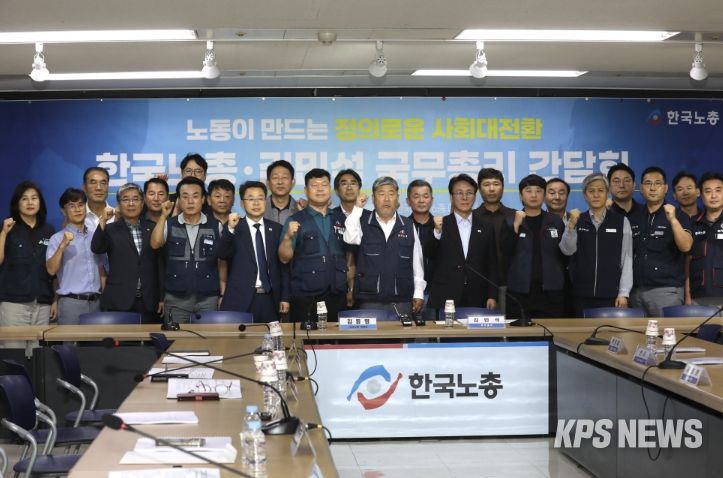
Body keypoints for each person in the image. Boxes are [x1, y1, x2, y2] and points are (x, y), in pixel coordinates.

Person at [343, 176, 425, 316]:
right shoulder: (362, 221)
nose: (386, 199)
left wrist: (419, 292)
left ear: (397, 199)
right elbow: (350, 238)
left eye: (391, 194)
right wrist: (357, 209)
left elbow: (417, 262)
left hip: (402, 299)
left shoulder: (408, 225)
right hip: (369, 299)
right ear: (373, 198)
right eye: (381, 194)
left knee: (402, 332)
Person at [279, 169, 349, 324]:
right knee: (306, 338)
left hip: (337, 294)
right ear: (306, 190)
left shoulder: (340, 219)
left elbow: (349, 255)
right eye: (314, 185)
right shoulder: (295, 220)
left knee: (337, 338)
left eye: (324, 184)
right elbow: (284, 259)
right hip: (306, 297)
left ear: (330, 189)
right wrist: (288, 237)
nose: (320, 189)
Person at [560, 173, 633, 316]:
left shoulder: (621, 221)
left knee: (608, 330)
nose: (596, 195)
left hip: (611, 295)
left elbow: (627, 259)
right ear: (585, 195)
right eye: (591, 191)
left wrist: (623, 293)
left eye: (600, 190)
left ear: (607, 193)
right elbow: (567, 250)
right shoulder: (576, 220)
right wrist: (571, 226)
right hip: (581, 294)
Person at [151, 177, 222, 324]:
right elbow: (155, 244)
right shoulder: (170, 223)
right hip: (176, 299)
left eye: (195, 196)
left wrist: (222, 293)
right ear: (178, 200)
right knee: (176, 337)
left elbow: (222, 261)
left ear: (203, 199)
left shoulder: (215, 226)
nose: (190, 201)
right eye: (185, 196)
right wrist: (163, 216)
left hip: (208, 298)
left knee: (208, 336)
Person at [91, 183, 162, 324]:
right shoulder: (110, 229)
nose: (131, 204)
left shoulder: (154, 228)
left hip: (149, 300)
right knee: (121, 338)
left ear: (142, 203)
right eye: (125, 199)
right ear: (119, 204)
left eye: (135, 199)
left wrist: (161, 297)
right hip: (119, 300)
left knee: (149, 338)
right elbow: (97, 248)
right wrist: (103, 221)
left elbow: (160, 265)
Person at [425, 175, 497, 313]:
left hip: (478, 294)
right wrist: (437, 233)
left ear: (475, 196)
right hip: (446, 294)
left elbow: (492, 264)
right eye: (459, 193)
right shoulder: (440, 224)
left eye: (469, 193)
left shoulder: (486, 227)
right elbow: (430, 254)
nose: (464, 197)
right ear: (451, 197)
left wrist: (492, 295)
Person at [218, 181, 289, 322]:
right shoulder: (234, 227)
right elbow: (222, 254)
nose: (256, 203)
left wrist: (285, 297)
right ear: (242, 203)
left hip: (270, 299)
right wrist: (230, 229)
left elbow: (284, 267)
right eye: (251, 199)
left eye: (260, 198)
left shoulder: (277, 229)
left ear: (265, 202)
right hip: (239, 299)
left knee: (271, 336)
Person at [629, 167, 692, 317]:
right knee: (635, 332)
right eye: (648, 183)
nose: (652, 188)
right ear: (641, 188)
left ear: (665, 188)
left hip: (666, 291)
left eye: (657, 183)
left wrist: (673, 220)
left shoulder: (679, 215)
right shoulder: (634, 217)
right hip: (636, 292)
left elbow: (686, 246)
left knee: (666, 333)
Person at [0, 181, 55, 350]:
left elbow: (53, 268)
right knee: (14, 353)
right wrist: (3, 233)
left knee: (39, 354)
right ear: (17, 204)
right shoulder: (7, 228)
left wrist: (55, 299)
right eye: (24, 199)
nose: (30, 202)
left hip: (43, 302)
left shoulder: (49, 230)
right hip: (14, 303)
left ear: (40, 202)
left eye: (34, 198)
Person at [504, 175, 566, 322]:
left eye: (538, 191)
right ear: (521, 196)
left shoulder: (555, 221)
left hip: (551, 293)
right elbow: (505, 251)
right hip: (519, 292)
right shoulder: (509, 220)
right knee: (519, 335)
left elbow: (564, 255)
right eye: (528, 191)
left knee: (551, 334)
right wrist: (515, 226)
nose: (533, 195)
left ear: (544, 195)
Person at [46, 188, 105, 324]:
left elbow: (102, 270)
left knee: (97, 340)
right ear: (63, 211)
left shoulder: (95, 236)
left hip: (96, 303)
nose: (77, 209)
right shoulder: (57, 238)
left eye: (81, 205)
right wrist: (62, 246)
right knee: (69, 339)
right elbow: (51, 270)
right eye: (72, 206)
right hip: (71, 304)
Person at [473, 168, 516, 311]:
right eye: (486, 184)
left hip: (511, 285)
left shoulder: (515, 216)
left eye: (496, 184)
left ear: (503, 187)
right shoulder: (471, 217)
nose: (492, 189)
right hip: (479, 285)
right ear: (479, 189)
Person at [687, 172, 723, 307]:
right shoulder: (693, 224)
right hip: (698, 297)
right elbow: (687, 262)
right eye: (708, 191)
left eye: (718, 190)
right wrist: (687, 295)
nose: (713, 196)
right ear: (701, 195)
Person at [264, 160, 306, 225]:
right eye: (275, 178)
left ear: (293, 182)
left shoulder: (302, 210)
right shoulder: (259, 208)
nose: (280, 182)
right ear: (268, 183)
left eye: (285, 177)